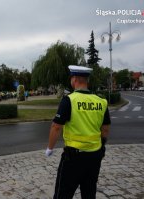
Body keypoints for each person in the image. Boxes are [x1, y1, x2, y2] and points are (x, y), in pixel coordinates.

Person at [46, 65, 111, 199]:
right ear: (87, 80)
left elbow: (56, 127)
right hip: (94, 157)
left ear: (74, 79)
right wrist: (102, 147)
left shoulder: (69, 100)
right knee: (89, 193)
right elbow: (105, 129)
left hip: (73, 158)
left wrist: (50, 148)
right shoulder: (101, 102)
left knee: (62, 194)